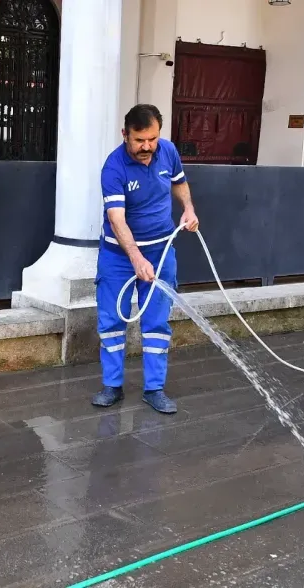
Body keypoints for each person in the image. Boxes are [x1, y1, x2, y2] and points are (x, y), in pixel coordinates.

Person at [91, 104, 199, 414]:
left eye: (152, 138)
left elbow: (179, 181)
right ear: (125, 134)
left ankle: (154, 389)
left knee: (156, 324)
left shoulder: (167, 151)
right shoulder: (114, 168)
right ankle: (112, 386)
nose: (147, 147)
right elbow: (116, 219)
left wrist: (188, 209)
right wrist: (136, 258)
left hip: (161, 252)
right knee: (112, 322)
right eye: (139, 140)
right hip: (118, 257)